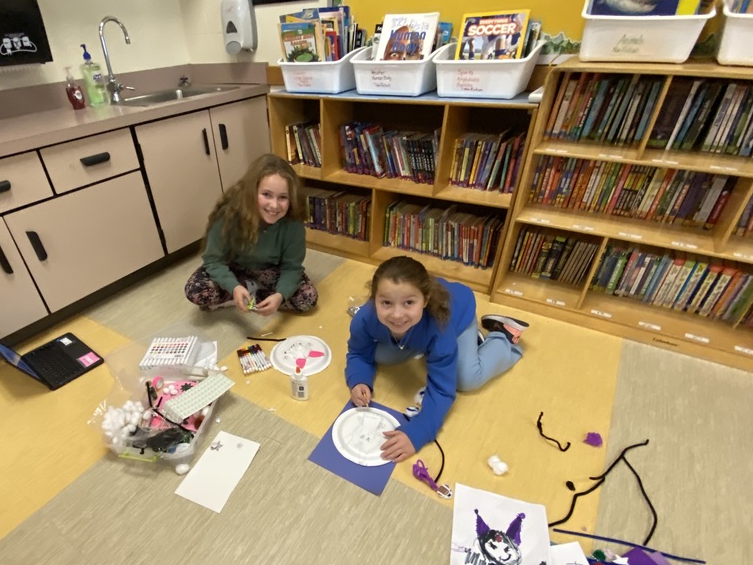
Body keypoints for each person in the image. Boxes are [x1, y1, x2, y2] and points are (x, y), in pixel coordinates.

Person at [345, 255, 528, 463]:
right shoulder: (365, 318)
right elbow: (358, 352)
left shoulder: (440, 328)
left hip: (458, 317)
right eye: (386, 303)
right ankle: (427, 345)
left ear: (426, 300)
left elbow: (442, 389)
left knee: (467, 379)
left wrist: (419, 431)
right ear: (373, 300)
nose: (397, 314)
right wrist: (359, 378)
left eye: (409, 303)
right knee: (380, 355)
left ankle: (502, 337)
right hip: (419, 333)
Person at [184, 153, 318, 316]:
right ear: (252, 192)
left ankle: (256, 294)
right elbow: (213, 260)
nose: (274, 205)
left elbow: (292, 267)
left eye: (283, 197)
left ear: (292, 199)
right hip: (234, 267)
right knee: (196, 291)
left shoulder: (293, 224)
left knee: (308, 298)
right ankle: (243, 292)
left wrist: (279, 296)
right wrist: (233, 286)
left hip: (270, 270)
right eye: (266, 194)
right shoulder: (229, 215)